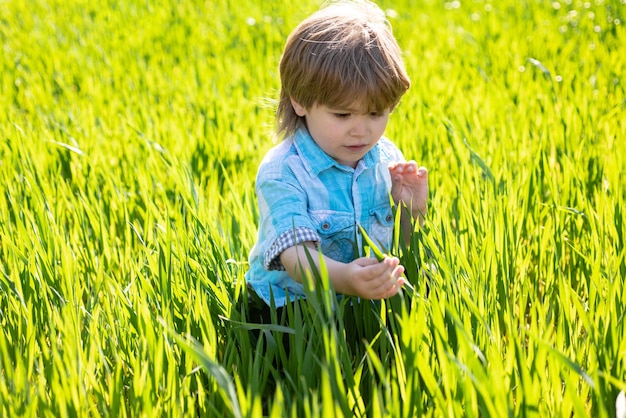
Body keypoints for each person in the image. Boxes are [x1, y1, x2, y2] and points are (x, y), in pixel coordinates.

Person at [244, 0, 428, 323]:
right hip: (289, 307)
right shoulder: (283, 172)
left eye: (375, 113)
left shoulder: (386, 160)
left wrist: (410, 213)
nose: (361, 130)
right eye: (342, 115)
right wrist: (347, 279)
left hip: (361, 300)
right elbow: (296, 259)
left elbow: (398, 248)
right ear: (299, 101)